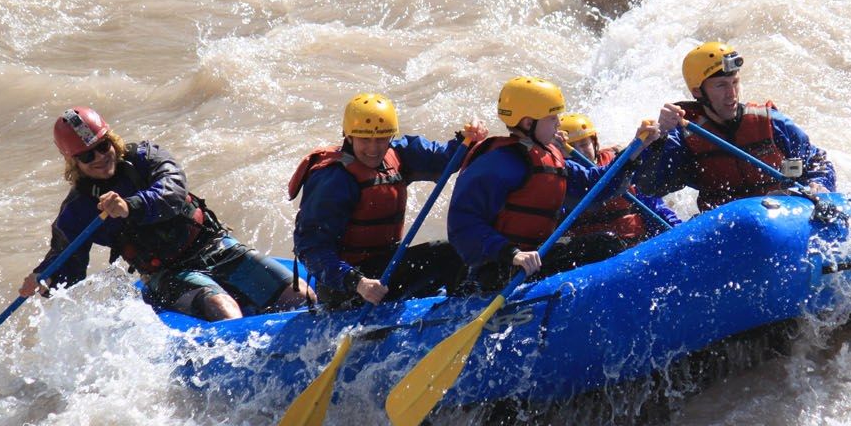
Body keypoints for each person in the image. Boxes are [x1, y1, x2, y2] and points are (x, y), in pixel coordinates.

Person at [20, 106, 315, 321]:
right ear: (73, 162)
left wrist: (130, 206)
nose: (99, 157)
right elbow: (67, 261)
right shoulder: (78, 209)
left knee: (301, 297)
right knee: (224, 310)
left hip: (214, 248)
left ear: (112, 140)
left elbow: (172, 193)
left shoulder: (147, 157)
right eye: (87, 155)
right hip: (168, 274)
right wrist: (44, 279)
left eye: (103, 146)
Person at [447, 76, 660, 292]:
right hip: (499, 266)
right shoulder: (496, 164)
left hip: (535, 260)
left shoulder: (550, 157)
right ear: (528, 123)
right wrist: (512, 254)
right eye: (552, 118)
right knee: (603, 246)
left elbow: (595, 187)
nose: (559, 123)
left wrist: (634, 151)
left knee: (604, 244)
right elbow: (462, 225)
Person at [289, 92, 486, 307]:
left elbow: (447, 158)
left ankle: (469, 303)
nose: (373, 149)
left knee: (461, 249)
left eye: (381, 139)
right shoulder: (333, 179)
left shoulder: (398, 154)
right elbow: (310, 247)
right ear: (348, 136)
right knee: (447, 253)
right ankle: (464, 312)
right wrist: (358, 282)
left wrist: (469, 139)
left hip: (386, 270)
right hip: (347, 287)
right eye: (365, 139)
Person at [634, 41, 836, 211]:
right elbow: (652, 187)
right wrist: (659, 139)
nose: (732, 93)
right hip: (727, 226)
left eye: (734, 82)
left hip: (779, 214)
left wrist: (819, 184)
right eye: (721, 85)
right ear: (697, 92)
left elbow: (817, 161)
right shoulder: (686, 136)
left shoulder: (772, 123)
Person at [559, 112, 679, 245]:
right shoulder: (561, 180)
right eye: (569, 148)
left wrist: (678, 232)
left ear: (594, 143)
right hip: (591, 254)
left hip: (634, 245)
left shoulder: (624, 165)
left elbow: (656, 209)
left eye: (583, 144)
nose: (580, 152)